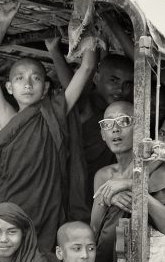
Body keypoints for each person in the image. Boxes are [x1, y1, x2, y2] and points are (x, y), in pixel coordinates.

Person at [0, 1, 98, 252]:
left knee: (43, 261)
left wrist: (86, 23)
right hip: (10, 207)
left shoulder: (56, 111)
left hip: (47, 207)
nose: (28, 84)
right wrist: (3, 24)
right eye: (19, 78)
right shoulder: (7, 117)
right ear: (9, 87)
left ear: (45, 88)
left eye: (35, 78)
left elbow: (87, 67)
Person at [91, 102, 165, 262]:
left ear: (140, 129)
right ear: (102, 134)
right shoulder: (104, 175)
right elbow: (95, 228)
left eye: (124, 121)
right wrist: (110, 197)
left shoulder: (159, 169)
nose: (115, 129)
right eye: (108, 124)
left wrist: (134, 188)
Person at [46, 41, 133, 198]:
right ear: (96, 78)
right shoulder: (85, 105)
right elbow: (79, 79)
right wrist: (54, 51)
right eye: (114, 81)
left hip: (111, 184)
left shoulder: (127, 111)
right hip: (75, 185)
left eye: (127, 84)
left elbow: (142, 62)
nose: (120, 89)